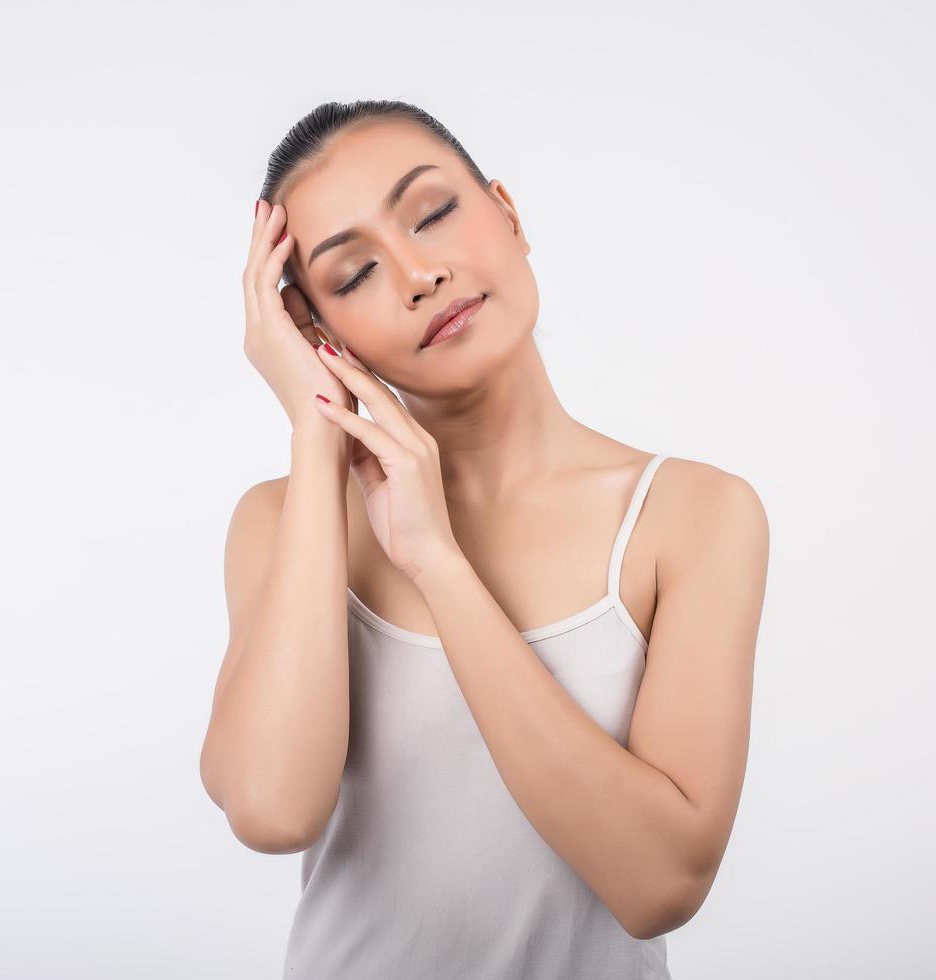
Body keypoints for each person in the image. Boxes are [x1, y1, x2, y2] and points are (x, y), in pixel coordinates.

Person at [199, 99, 769, 979]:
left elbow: (658, 883)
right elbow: (273, 810)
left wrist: (436, 562)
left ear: (507, 213)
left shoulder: (690, 516)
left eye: (432, 213)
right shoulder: (279, 523)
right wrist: (317, 432)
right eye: (352, 276)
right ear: (314, 331)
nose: (419, 274)